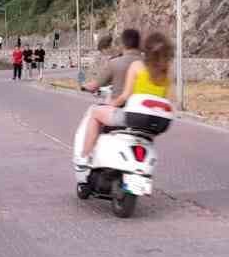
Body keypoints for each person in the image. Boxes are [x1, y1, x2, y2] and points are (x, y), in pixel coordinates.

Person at [74, 31, 173, 170]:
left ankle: (85, 157)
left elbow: (125, 96)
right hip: (156, 124)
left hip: (133, 117)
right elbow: (164, 99)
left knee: (95, 113)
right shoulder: (166, 74)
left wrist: (109, 104)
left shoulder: (137, 66)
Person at [85, 28, 141, 95]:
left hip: (119, 99)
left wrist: (83, 87)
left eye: (117, 44)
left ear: (123, 44)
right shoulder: (147, 62)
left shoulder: (114, 63)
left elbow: (96, 84)